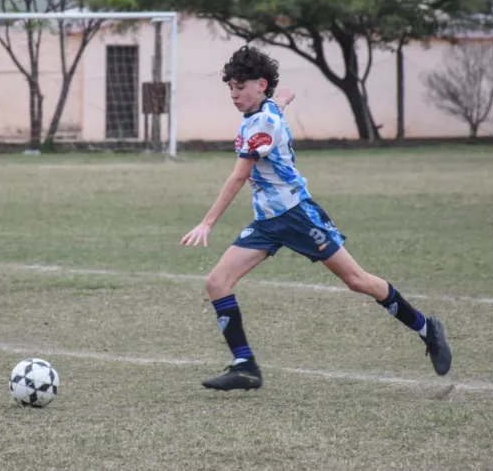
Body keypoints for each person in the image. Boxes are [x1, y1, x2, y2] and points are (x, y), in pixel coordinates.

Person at [180, 45, 452, 391]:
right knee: (217, 283)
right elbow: (277, 103)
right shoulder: (264, 109)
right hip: (268, 222)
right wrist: (284, 96)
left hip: (298, 216)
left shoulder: (262, 123)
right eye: (230, 87)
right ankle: (245, 366)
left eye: (240, 86)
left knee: (357, 280)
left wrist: (208, 222)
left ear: (261, 84)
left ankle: (427, 328)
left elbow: (238, 177)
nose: (234, 94)